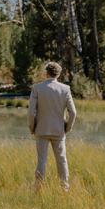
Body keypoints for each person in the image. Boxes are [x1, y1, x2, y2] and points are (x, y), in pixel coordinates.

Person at [27, 61, 77, 191]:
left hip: (41, 130)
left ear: (46, 73)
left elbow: (31, 112)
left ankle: (38, 188)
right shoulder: (65, 89)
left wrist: (32, 128)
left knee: (41, 161)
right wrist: (67, 128)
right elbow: (73, 112)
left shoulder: (37, 88)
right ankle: (64, 189)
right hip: (59, 131)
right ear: (58, 74)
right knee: (62, 160)